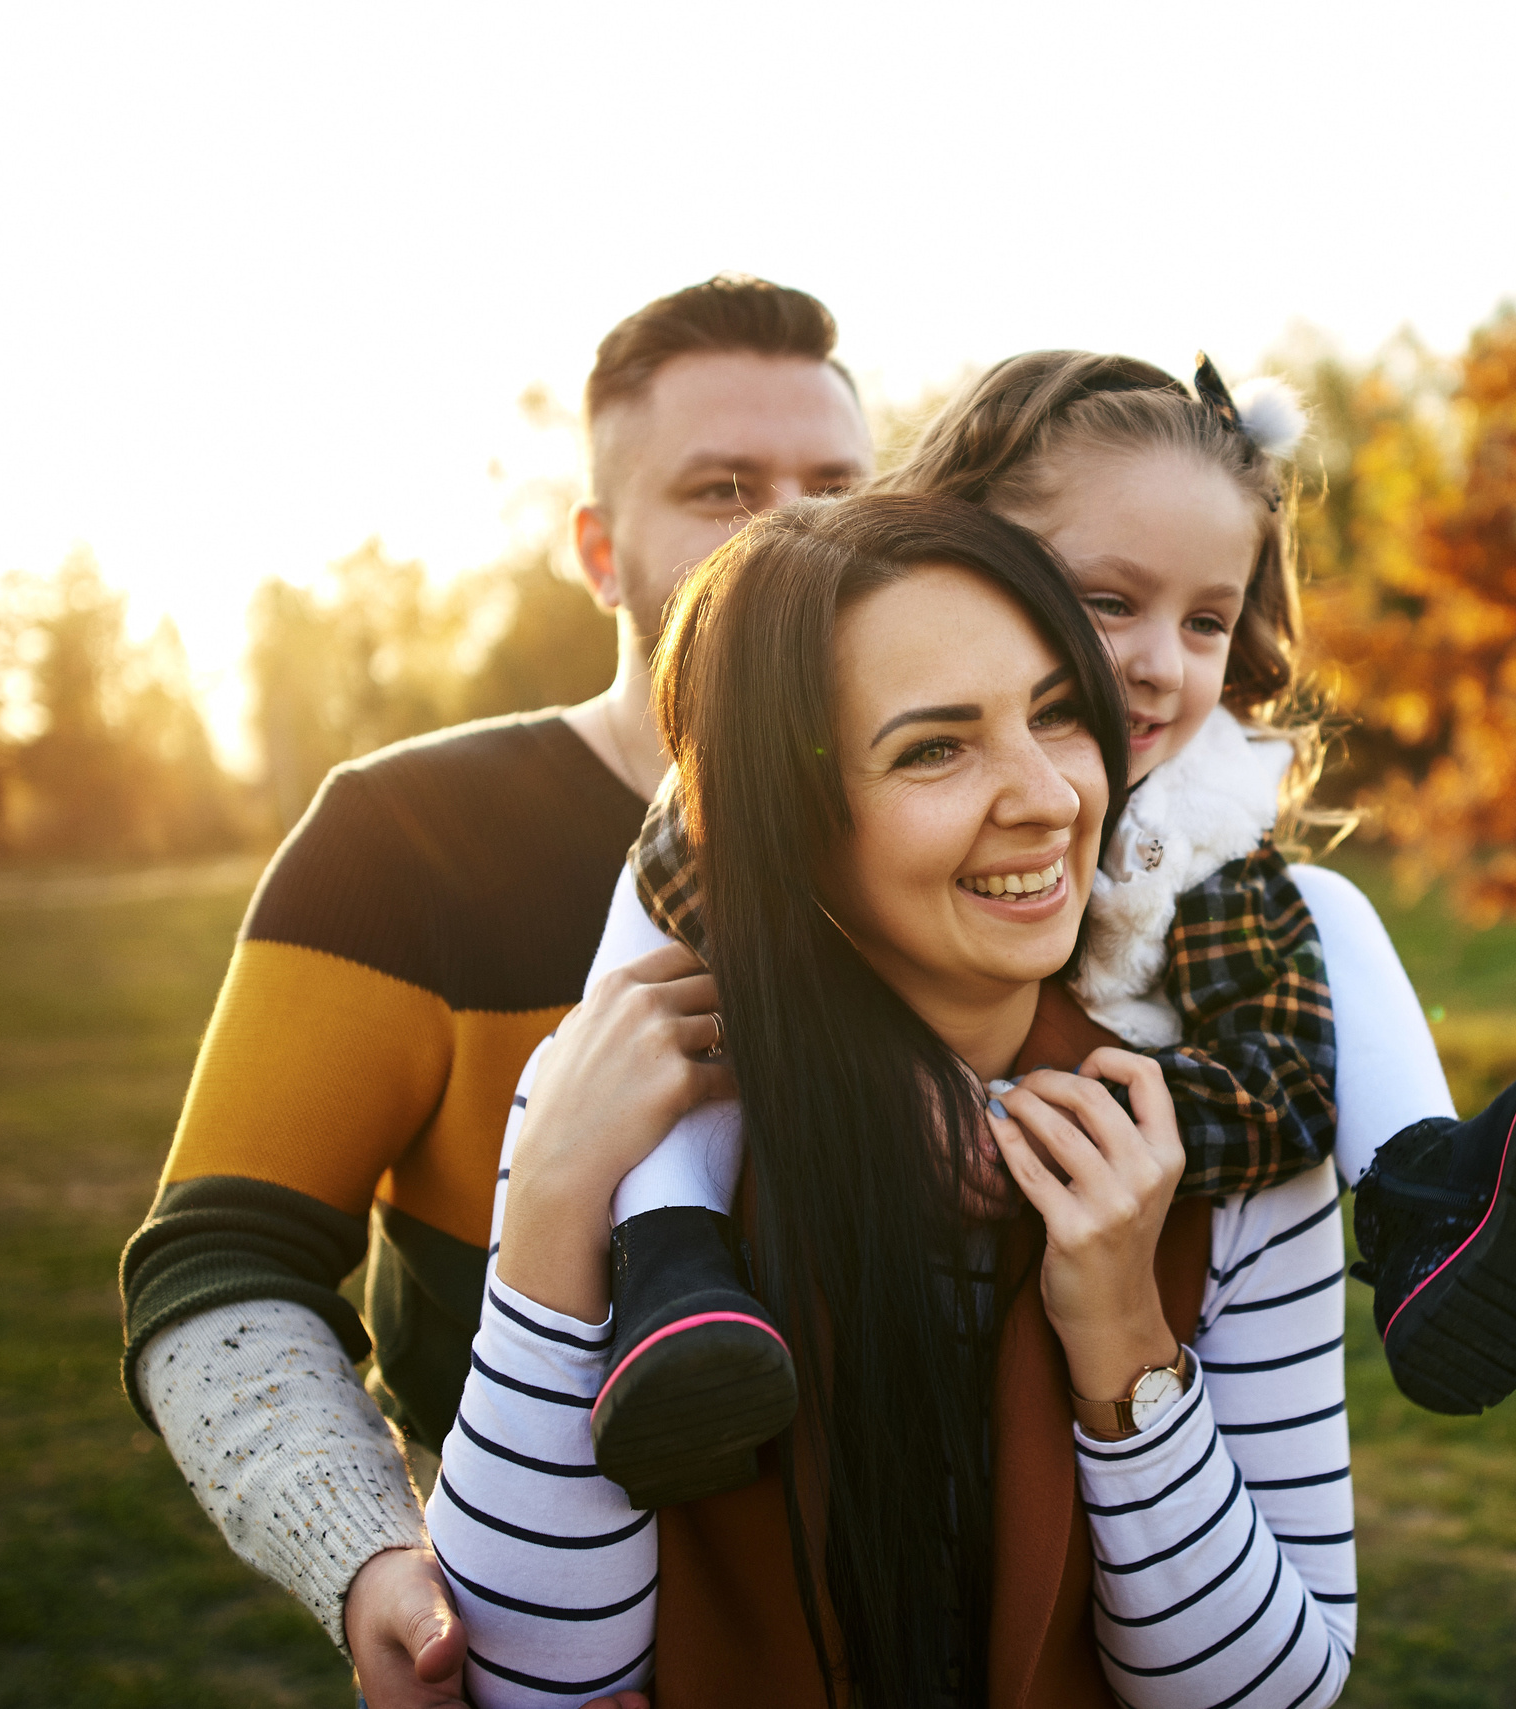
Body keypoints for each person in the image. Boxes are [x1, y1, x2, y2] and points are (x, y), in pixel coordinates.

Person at [580, 350, 1516, 1513]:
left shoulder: (1204, 841)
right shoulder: (831, 739)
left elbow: (1280, 1082)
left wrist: (1061, 1124)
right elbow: (699, 912)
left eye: (1208, 619)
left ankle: (1430, 1211)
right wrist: (869, 1063)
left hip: (1090, 1263)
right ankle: (670, 1269)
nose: (1159, 664)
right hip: (799, 1157)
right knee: (661, 1011)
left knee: (1336, 908)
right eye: (1108, 600)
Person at [427, 493, 1358, 1707]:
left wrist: (1124, 1338)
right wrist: (553, 1201)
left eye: (1059, 713)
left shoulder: (1226, 1130)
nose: (1048, 796)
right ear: (787, 819)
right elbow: (529, 1684)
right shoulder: (628, 1116)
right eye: (934, 746)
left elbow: (1271, 1694)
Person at [115, 275, 873, 1704]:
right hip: (552, 1637)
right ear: (599, 552)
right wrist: (363, 1551)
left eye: (837, 485)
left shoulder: (976, 842)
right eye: (722, 488)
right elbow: (219, 1263)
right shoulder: (398, 841)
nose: (795, 532)